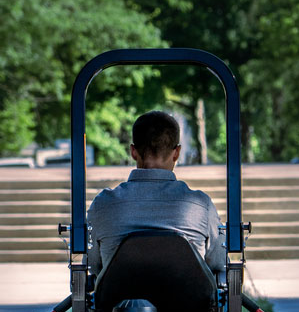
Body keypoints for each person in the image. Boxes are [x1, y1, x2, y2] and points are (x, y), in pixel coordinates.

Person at [87, 110, 225, 276]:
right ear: (177, 153)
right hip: (186, 292)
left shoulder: (103, 204)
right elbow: (219, 261)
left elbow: (92, 264)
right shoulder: (200, 206)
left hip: (120, 292)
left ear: (133, 151)